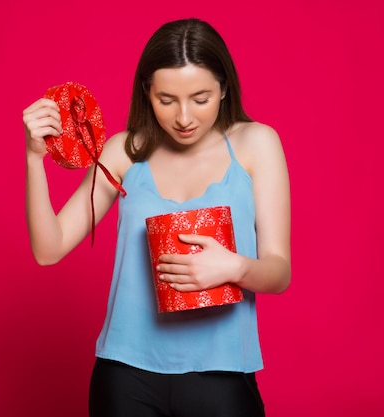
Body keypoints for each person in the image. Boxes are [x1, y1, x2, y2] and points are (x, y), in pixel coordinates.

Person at [23, 18, 290, 417]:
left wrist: (232, 267)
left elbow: (279, 271)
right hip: (125, 377)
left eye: (200, 98)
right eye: (166, 100)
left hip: (222, 374)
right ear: (147, 92)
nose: (184, 117)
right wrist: (34, 159)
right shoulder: (124, 151)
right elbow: (49, 249)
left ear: (223, 88)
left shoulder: (256, 144)